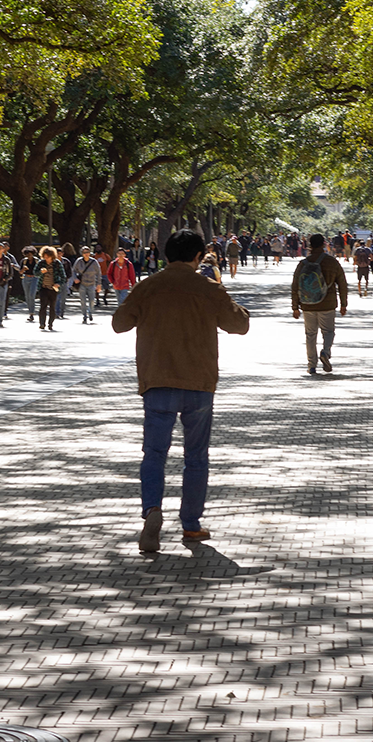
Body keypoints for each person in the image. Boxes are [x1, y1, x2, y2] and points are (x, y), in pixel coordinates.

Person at [113, 229, 252, 551]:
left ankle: (152, 509)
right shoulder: (208, 288)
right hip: (199, 384)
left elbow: (120, 323)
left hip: (157, 381)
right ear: (196, 256)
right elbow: (239, 325)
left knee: (154, 454)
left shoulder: (148, 286)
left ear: (166, 255)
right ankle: (190, 524)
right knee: (196, 457)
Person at [291, 232, 349, 375]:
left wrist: (295, 307)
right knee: (328, 332)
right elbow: (342, 283)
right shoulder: (332, 262)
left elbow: (295, 285)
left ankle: (311, 365)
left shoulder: (303, 263)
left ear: (310, 245)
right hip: (327, 304)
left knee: (310, 334)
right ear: (324, 244)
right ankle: (326, 351)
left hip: (307, 304)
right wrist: (343, 304)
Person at [70, 245, 103, 324]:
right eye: (84, 252)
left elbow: (98, 273)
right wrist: (75, 278)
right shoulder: (79, 261)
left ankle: (90, 312)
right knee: (83, 301)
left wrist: (99, 284)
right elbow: (73, 271)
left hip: (91, 283)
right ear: (82, 253)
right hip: (82, 284)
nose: (86, 254)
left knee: (92, 300)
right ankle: (84, 315)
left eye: (87, 252)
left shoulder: (94, 262)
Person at [35, 246, 65, 329]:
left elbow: (63, 277)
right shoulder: (41, 263)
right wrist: (41, 272)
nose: (46, 258)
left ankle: (50, 324)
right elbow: (35, 273)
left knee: (52, 307)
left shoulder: (57, 263)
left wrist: (58, 284)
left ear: (52, 256)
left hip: (53, 289)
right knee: (43, 306)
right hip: (43, 287)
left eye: (48, 257)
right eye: (44, 256)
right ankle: (42, 323)